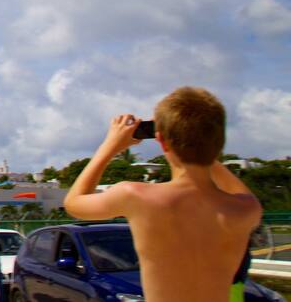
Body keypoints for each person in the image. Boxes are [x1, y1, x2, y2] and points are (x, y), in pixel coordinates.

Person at [63, 87, 262, 302]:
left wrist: (110, 145)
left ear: (162, 141)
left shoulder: (137, 196)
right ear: (219, 141)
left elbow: (74, 203)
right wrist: (203, 147)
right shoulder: (246, 209)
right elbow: (240, 192)